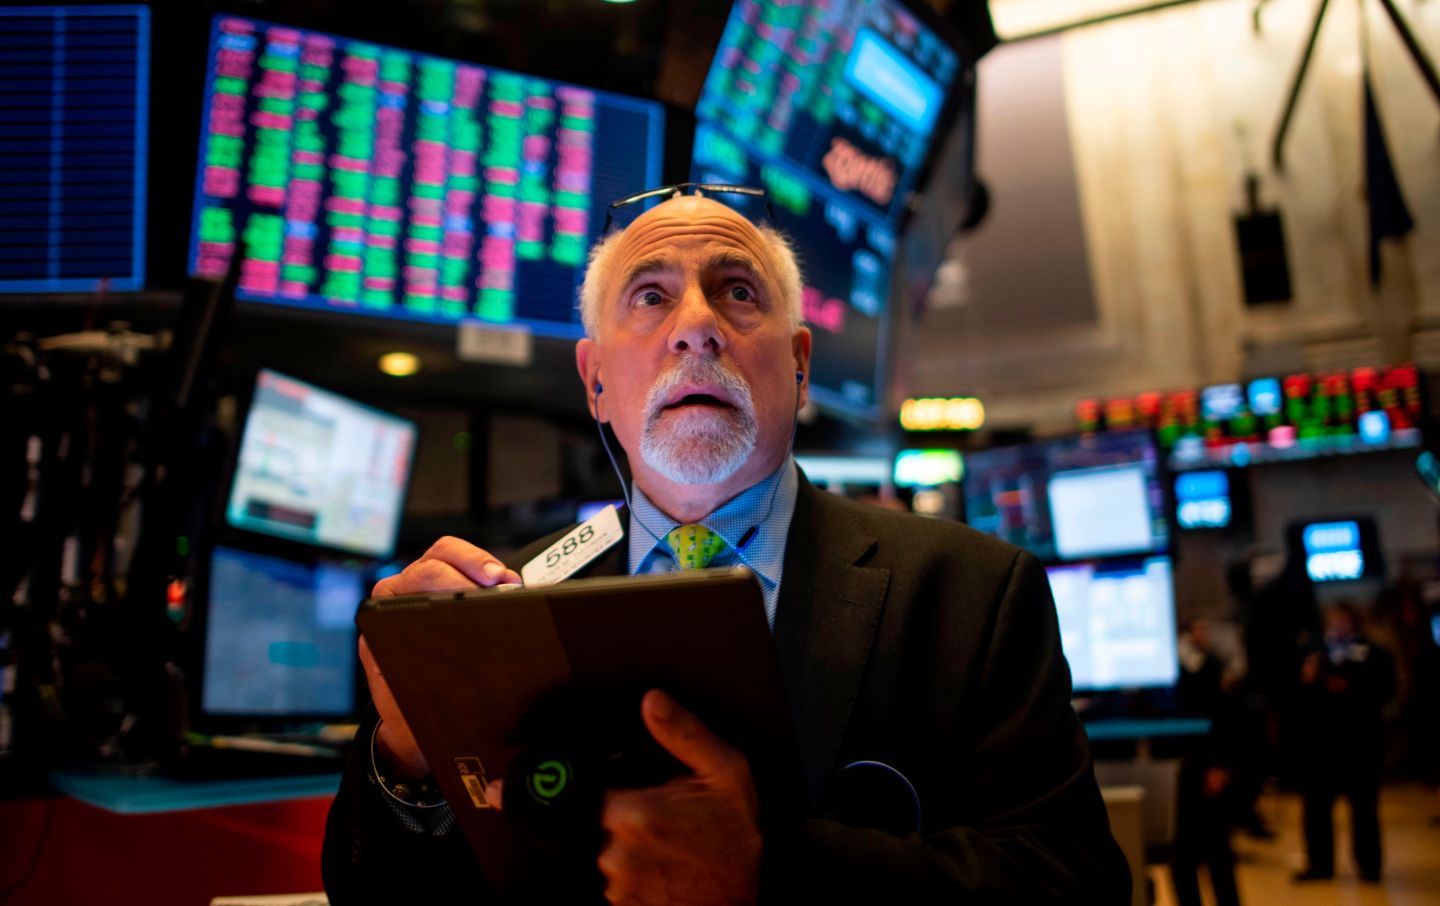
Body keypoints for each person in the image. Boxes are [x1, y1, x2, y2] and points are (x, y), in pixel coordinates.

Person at [321, 187, 1131, 904]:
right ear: (595, 380)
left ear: (801, 364)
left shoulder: (972, 592)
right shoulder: (503, 602)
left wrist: (769, 872)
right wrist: (408, 757)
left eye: (738, 292)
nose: (697, 328)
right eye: (650, 297)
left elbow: (1074, 882)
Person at [1290, 601, 1396, 883]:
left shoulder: (1373, 653)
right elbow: (1289, 698)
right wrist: (1306, 679)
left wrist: (1354, 687)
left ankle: (1369, 866)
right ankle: (1320, 864)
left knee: (1364, 810)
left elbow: (1388, 689)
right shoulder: (1309, 653)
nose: (1340, 626)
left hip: (1360, 744)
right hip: (1320, 746)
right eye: (1334, 620)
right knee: (1316, 810)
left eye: (1345, 620)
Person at [1170, 618, 1243, 906]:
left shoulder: (1212, 667)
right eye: (1198, 630)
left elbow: (1225, 719)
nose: (1205, 635)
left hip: (1210, 764)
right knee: (1184, 853)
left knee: (1217, 851)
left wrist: (1222, 766)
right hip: (1184, 766)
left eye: (1206, 629)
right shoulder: (1175, 669)